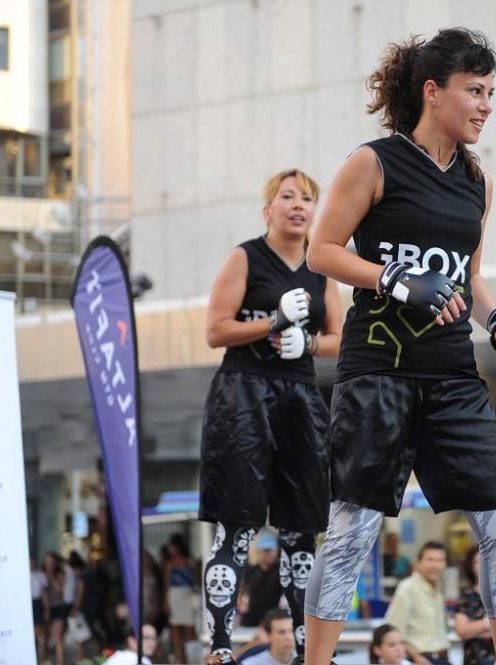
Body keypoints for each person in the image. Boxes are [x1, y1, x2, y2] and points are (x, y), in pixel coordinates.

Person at [302, 27, 496, 665]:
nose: (486, 105)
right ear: (434, 92)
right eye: (474, 91)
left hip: (454, 375)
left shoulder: (476, 181)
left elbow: (471, 275)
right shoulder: (374, 163)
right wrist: (396, 279)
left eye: (491, 92)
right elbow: (323, 251)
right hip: (377, 372)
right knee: (352, 532)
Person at [200, 168, 342, 665]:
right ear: (268, 209)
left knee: (302, 528)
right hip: (244, 394)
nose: (299, 205)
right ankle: (220, 646)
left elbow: (342, 341)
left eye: (307, 198)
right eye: (288, 196)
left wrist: (309, 341)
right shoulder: (245, 256)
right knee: (236, 524)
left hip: (302, 397)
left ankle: (308, 650)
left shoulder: (322, 266)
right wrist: (272, 323)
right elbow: (215, 330)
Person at [383, 542, 451, 665]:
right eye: (430, 560)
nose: (436, 565)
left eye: (441, 560)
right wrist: (416, 657)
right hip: (421, 660)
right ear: (418, 562)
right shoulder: (407, 588)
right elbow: (392, 630)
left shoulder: (437, 590)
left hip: (442, 659)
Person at [455, 545, 495, 665]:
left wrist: (475, 628)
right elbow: (462, 631)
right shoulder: (466, 597)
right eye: (478, 562)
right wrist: (490, 623)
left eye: (487, 561)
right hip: (474, 659)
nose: (483, 566)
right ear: (471, 567)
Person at [240, 533, 284, 628]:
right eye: (264, 551)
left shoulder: (281, 570)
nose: (267, 554)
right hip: (252, 618)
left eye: (270, 551)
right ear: (259, 552)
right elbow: (244, 588)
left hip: (274, 617)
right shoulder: (251, 570)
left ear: (276, 551)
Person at [164, 536, 197, 664]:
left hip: (188, 595)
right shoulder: (169, 564)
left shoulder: (189, 561)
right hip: (175, 595)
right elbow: (166, 584)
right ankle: (179, 657)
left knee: (190, 628)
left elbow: (195, 578)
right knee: (176, 627)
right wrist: (166, 601)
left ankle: (190, 656)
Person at [44, 551, 69, 665]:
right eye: (47, 562)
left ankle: (60, 662)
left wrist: (51, 576)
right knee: (48, 637)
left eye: (51, 562)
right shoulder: (41, 573)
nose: (49, 565)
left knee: (58, 637)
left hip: (59, 608)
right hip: (47, 608)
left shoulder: (60, 573)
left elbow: (60, 590)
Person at [31, 555, 50, 664]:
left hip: (37, 605)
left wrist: (46, 610)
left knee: (40, 634)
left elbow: (45, 594)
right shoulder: (21, 574)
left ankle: (42, 660)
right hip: (26, 605)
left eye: (32, 561)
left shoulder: (41, 575)